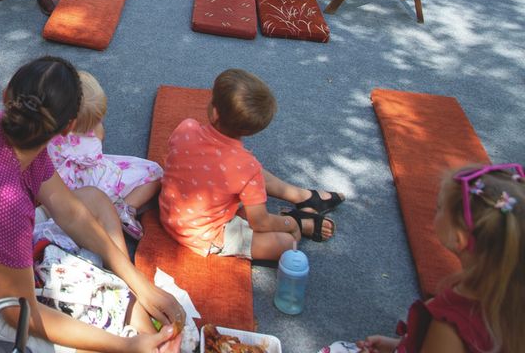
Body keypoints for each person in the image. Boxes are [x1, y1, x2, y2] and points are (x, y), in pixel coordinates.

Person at [0, 56, 184, 353]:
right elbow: (20, 313)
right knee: (87, 338)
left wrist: (139, 283)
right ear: (69, 128)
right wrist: (124, 346)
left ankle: (123, 301)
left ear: (6, 97)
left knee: (92, 199)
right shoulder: (5, 205)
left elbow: (71, 212)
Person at [160, 69, 342, 260]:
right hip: (206, 237)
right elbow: (260, 223)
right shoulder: (247, 166)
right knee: (289, 243)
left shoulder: (186, 127)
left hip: (170, 215)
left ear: (214, 113)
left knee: (245, 170)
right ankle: (298, 218)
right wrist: (290, 223)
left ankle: (303, 197)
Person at [346, 164, 523, 353]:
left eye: (439, 207)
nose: (435, 210)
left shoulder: (451, 323)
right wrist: (398, 346)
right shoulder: (507, 295)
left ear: (458, 238)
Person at [47, 71, 162, 240]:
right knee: (155, 171)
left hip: (67, 194)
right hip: (105, 182)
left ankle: (99, 220)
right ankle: (126, 208)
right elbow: (101, 136)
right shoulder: (95, 133)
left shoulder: (46, 136)